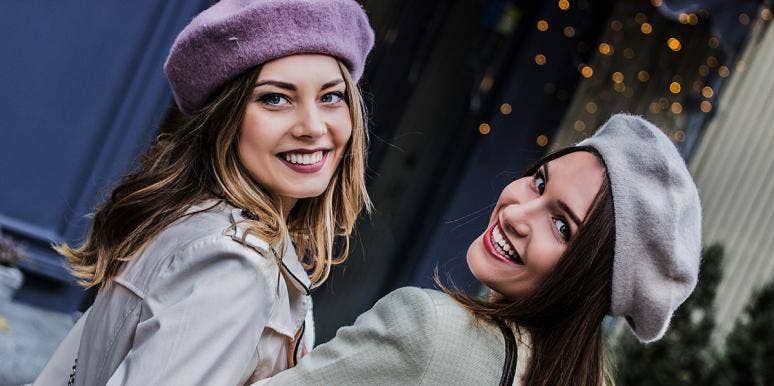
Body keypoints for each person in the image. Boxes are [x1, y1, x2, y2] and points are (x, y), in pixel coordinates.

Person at [34, 1, 374, 385]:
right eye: (275, 98)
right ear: (223, 121)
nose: (313, 126)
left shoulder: (192, 221)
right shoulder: (233, 265)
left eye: (331, 96)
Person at [253, 114, 702, 385]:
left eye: (562, 226)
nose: (518, 213)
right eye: (539, 182)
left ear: (590, 281)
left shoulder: (430, 331)